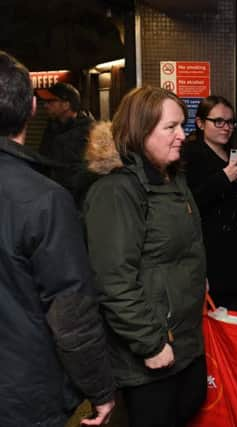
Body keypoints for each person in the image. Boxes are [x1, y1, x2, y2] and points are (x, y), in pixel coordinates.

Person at [0, 50, 115, 427]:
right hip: (22, 393)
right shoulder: (44, 199)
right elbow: (70, 311)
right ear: (31, 108)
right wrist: (100, 389)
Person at [83, 86, 207, 427]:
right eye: (171, 127)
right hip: (150, 352)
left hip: (185, 343)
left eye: (183, 125)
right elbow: (113, 281)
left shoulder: (172, 179)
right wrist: (150, 344)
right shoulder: (117, 191)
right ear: (140, 131)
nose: (182, 135)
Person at [182, 95, 237, 312]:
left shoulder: (235, 153)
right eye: (219, 121)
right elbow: (189, 202)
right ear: (201, 123)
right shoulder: (189, 155)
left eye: (230, 122)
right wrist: (224, 177)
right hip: (208, 250)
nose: (226, 127)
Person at [36, 81, 95, 205]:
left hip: (76, 204)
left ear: (66, 105)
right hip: (51, 200)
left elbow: (86, 174)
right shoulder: (52, 128)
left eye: (51, 101)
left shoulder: (89, 132)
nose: (45, 105)